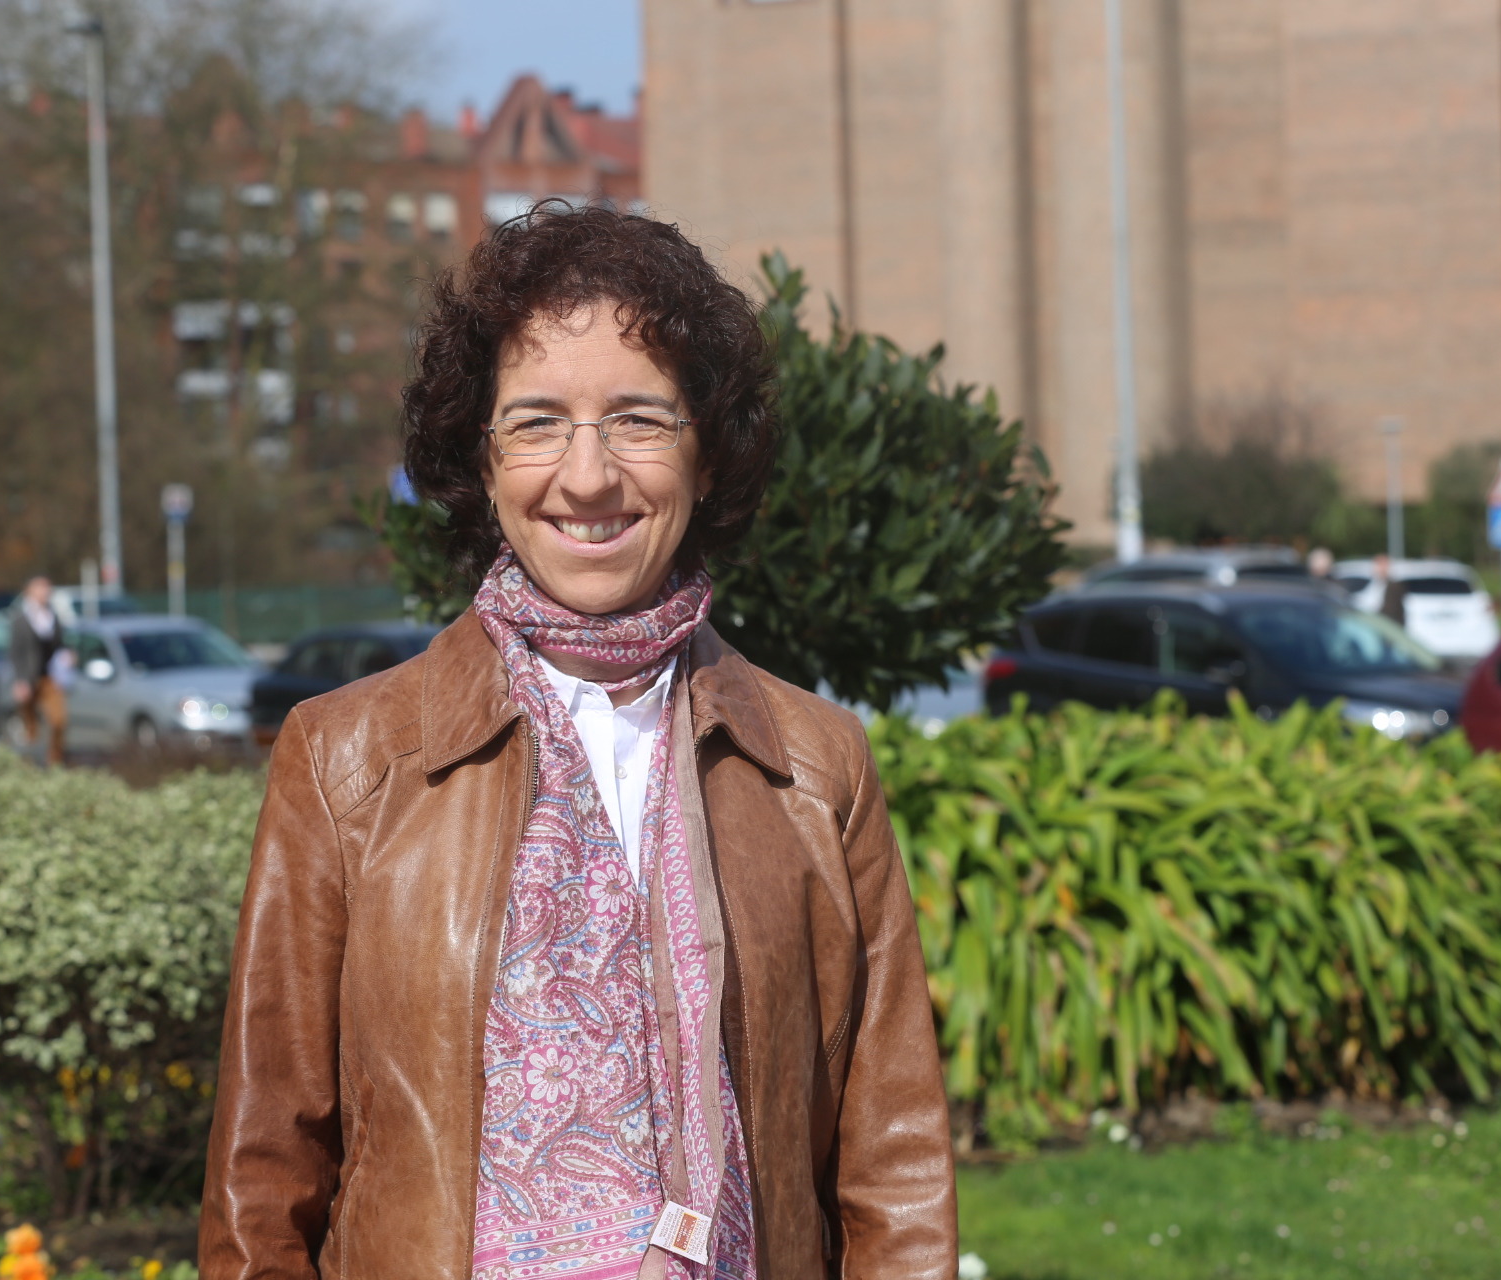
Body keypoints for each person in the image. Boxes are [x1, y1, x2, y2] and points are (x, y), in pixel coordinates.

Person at [200, 203, 956, 1279]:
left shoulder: (817, 766)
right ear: (482, 460)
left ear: (707, 456)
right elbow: (262, 1178)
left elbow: (894, 1165)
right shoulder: (344, 761)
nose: (589, 474)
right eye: (537, 422)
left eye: (639, 420)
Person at [7, 575, 66, 766]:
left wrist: (67, 656)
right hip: (29, 679)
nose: (45, 592)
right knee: (30, 725)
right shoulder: (20, 618)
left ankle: (55, 761)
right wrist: (20, 680)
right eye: (41, 588)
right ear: (29, 591)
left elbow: (59, 645)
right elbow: (15, 652)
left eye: (47, 588)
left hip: (50, 677)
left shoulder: (52, 616)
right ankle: (29, 763)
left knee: (58, 720)